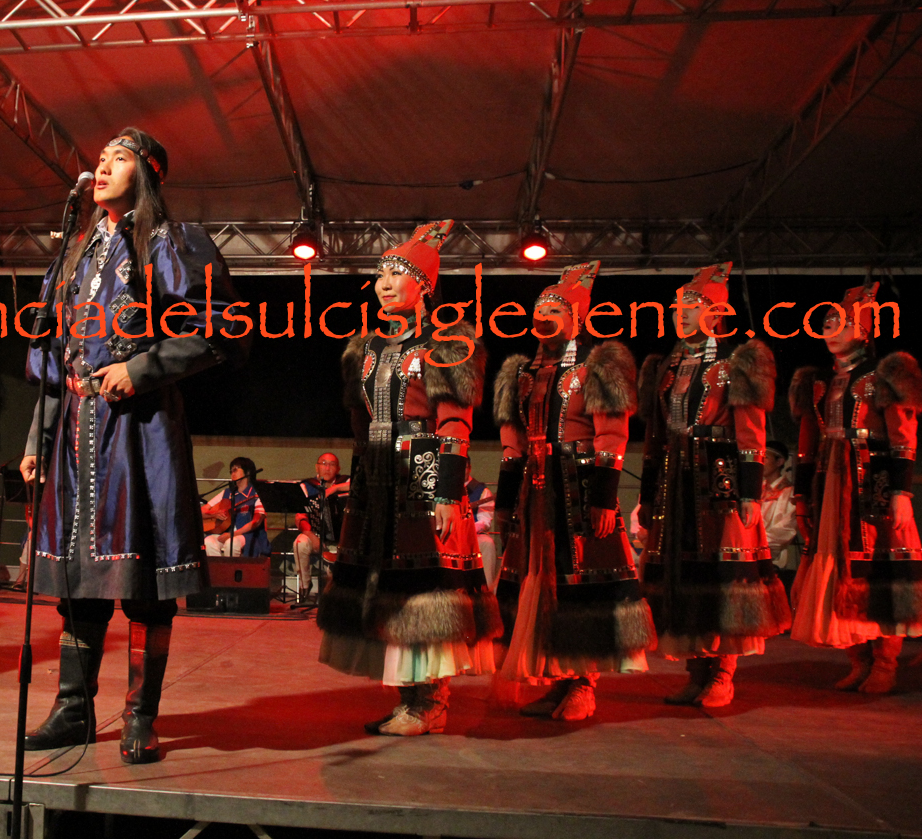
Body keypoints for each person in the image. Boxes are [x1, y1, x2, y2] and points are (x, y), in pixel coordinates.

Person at [19, 128, 249, 764]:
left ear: (145, 173)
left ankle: (140, 716)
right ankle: (73, 709)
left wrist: (141, 368)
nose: (101, 167)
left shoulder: (173, 243)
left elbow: (220, 327)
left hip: (139, 429)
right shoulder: (72, 254)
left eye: (117, 159)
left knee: (144, 581)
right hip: (75, 432)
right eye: (98, 159)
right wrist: (39, 434)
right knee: (77, 581)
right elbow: (52, 353)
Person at [317, 221, 498, 736]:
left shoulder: (448, 342)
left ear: (424, 284)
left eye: (397, 274)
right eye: (380, 275)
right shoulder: (364, 348)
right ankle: (408, 699)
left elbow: (454, 422)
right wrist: (358, 480)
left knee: (424, 587)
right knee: (384, 588)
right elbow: (358, 421)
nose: (385, 284)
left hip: (422, 470)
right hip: (376, 478)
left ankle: (432, 702)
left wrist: (447, 491)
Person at [492, 261, 651, 720]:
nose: (543, 318)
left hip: (578, 490)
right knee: (539, 583)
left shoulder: (597, 367)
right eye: (539, 310)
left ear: (575, 319)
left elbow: (612, 435)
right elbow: (511, 444)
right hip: (534, 494)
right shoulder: (522, 372)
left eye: (554, 311)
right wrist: (504, 503)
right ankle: (556, 677)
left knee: (579, 580)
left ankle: (584, 683)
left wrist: (603, 497)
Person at [636, 263, 790, 707]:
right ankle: (696, 668)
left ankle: (723, 672)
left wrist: (749, 493)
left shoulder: (737, 362)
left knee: (723, 576)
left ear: (717, 312)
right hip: (675, 482)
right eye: (677, 306)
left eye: (692, 305)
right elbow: (655, 438)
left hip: (720, 481)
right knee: (684, 575)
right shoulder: (666, 366)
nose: (681, 312)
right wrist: (647, 496)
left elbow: (751, 433)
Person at [789, 283, 922, 693]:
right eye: (826, 323)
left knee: (882, 571)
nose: (831, 330)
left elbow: (903, 436)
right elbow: (806, 445)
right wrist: (802, 498)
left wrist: (901, 492)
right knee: (839, 572)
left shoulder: (884, 375)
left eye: (841, 323)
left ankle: (885, 663)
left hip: (873, 483)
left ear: (865, 330)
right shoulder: (817, 382)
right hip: (830, 485)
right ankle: (859, 658)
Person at [293, 452, 348, 600]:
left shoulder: (346, 482)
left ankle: (334, 596)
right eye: (324, 464)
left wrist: (335, 489)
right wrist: (312, 536)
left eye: (332, 464)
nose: (327, 468)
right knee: (299, 543)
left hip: (343, 539)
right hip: (315, 534)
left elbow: (360, 486)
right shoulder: (307, 486)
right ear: (316, 467)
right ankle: (305, 585)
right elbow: (300, 517)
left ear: (338, 469)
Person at [203, 457, 271, 558]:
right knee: (208, 541)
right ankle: (220, 568)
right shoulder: (227, 493)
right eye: (231, 471)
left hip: (247, 536)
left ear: (247, 472)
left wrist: (233, 534)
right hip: (225, 534)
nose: (232, 473)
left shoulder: (256, 493)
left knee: (231, 543)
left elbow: (256, 521)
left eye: (235, 470)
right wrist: (214, 514)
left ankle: (232, 568)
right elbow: (202, 511)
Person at [759, 440, 799, 602]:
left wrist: (760, 548)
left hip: (773, 561)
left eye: (765, 458)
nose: (760, 462)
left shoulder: (789, 492)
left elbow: (785, 529)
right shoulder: (757, 490)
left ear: (780, 462)